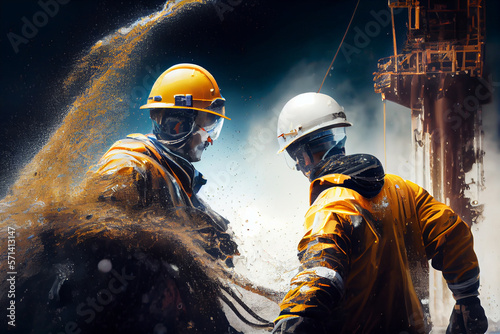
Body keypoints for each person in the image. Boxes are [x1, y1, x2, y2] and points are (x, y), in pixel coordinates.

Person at [272, 92, 488, 334]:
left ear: (303, 154)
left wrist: (295, 316)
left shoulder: (330, 205)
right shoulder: (402, 189)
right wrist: (467, 299)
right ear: (340, 138)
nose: (300, 166)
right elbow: (453, 235)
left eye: (296, 158)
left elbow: (321, 272)